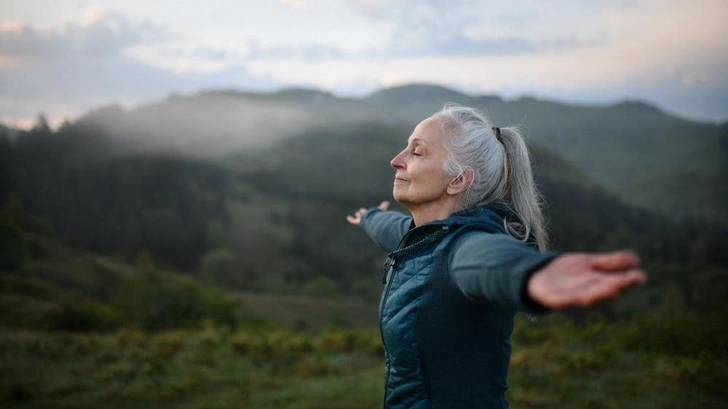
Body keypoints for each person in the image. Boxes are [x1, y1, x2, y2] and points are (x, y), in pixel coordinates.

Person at [346, 104, 646, 409]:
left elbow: (488, 259)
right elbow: (395, 229)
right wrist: (369, 218)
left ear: (458, 180)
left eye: (417, 152)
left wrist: (530, 273)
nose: (396, 160)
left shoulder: (463, 247)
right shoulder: (426, 237)